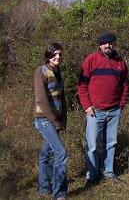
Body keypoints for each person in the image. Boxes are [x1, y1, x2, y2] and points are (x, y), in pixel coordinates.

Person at [78, 32, 129, 186]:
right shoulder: (91, 60)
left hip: (114, 110)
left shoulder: (120, 61)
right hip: (95, 111)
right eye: (104, 43)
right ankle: (92, 175)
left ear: (115, 44)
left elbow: (125, 85)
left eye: (111, 43)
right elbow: (82, 85)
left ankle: (108, 171)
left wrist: (121, 105)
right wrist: (87, 106)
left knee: (111, 143)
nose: (108, 46)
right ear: (99, 45)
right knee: (93, 145)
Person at [33, 43, 67, 200]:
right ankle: (59, 193)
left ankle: (44, 188)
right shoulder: (41, 72)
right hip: (44, 120)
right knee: (61, 153)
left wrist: (63, 119)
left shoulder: (58, 72)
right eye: (55, 54)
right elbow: (41, 99)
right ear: (48, 55)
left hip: (55, 120)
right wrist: (55, 121)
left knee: (46, 154)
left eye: (60, 54)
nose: (58, 57)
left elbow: (62, 98)